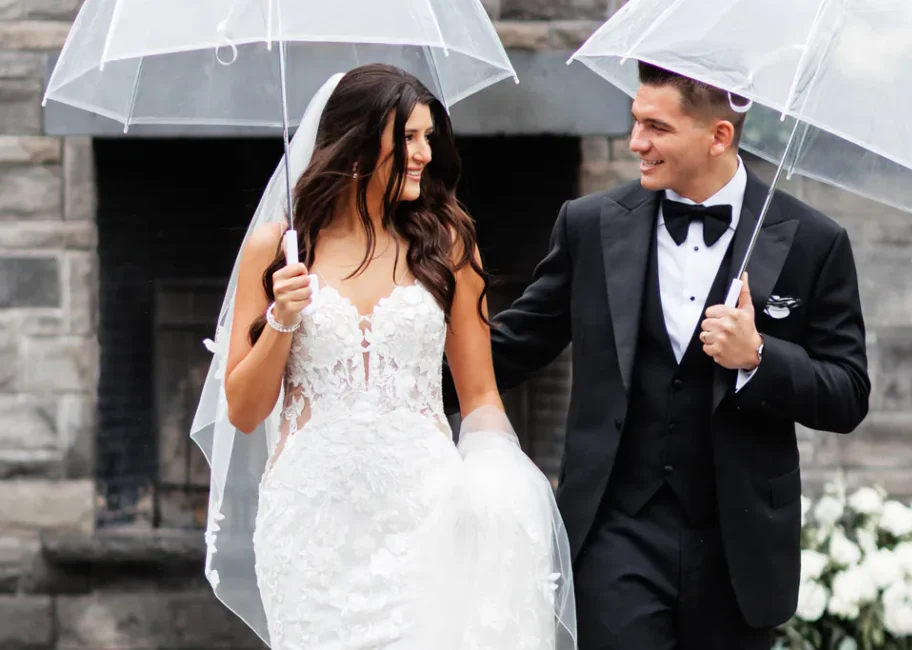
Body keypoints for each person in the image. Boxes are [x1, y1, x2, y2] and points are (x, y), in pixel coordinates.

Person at [466, 62, 871, 649]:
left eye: (656, 127)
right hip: (615, 533)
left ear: (718, 137)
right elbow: (515, 345)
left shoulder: (813, 240)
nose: (636, 143)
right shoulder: (589, 225)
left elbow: (848, 393)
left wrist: (758, 355)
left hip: (740, 544)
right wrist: (400, 384)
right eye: (635, 123)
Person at [196, 64, 577, 649]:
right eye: (409, 138)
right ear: (357, 142)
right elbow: (246, 412)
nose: (425, 153)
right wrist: (282, 319)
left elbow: (479, 395)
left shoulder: (448, 243)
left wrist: (497, 485)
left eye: (429, 137)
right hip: (310, 522)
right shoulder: (276, 247)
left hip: (426, 511)